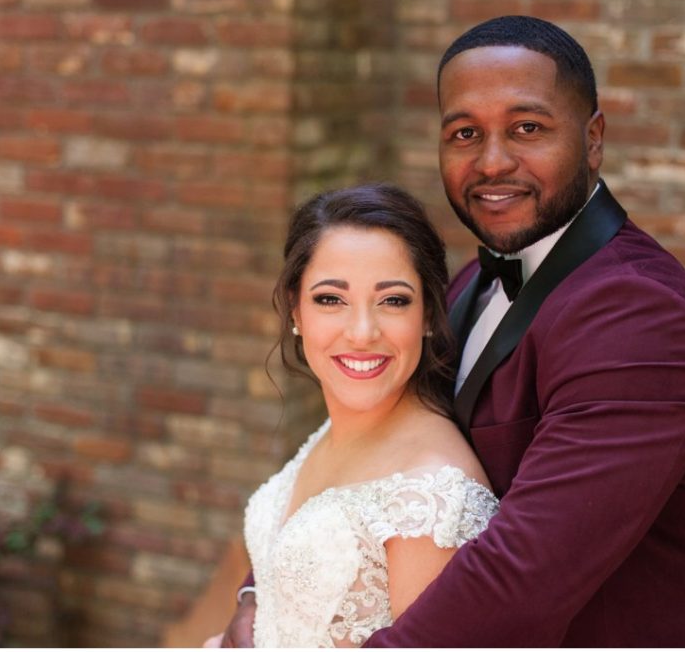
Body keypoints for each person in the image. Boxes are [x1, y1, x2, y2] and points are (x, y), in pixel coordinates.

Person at [222, 15, 685, 647]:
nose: (492, 162)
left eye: (527, 128)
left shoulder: (640, 316)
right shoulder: (468, 283)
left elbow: (519, 582)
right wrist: (260, 598)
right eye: (465, 133)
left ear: (593, 138)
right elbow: (358, 451)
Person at [208, 183, 498, 647]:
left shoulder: (431, 502)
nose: (362, 333)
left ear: (427, 314)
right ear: (295, 309)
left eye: (393, 300)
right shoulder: (337, 426)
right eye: (331, 299)